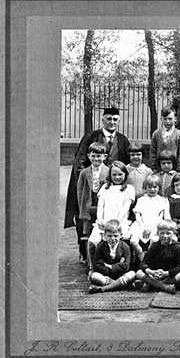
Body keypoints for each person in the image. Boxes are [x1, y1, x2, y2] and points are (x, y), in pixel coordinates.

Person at [64, 106, 131, 258]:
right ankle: (84, 253)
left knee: (108, 219)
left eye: (115, 119)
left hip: (112, 188)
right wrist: (86, 175)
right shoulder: (92, 137)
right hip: (91, 187)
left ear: (118, 121)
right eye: (109, 119)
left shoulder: (122, 139)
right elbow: (80, 158)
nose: (112, 122)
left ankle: (108, 253)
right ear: (102, 119)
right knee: (86, 220)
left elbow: (126, 164)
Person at [87, 161, 135, 274]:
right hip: (104, 222)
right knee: (92, 241)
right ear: (110, 175)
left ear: (125, 175)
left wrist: (116, 222)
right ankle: (93, 267)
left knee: (122, 239)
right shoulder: (105, 187)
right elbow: (100, 205)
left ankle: (121, 266)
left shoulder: (129, 189)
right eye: (114, 175)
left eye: (120, 174)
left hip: (120, 222)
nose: (117, 177)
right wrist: (100, 219)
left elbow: (125, 208)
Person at [75, 142, 108, 265]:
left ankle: (101, 259)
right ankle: (89, 260)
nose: (96, 159)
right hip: (88, 203)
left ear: (104, 157)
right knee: (88, 233)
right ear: (89, 156)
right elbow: (79, 191)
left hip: (101, 203)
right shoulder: (84, 172)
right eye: (93, 156)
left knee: (102, 231)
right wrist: (82, 207)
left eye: (99, 156)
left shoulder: (108, 171)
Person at [134, 220, 180, 294]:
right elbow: (143, 263)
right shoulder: (154, 246)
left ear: (174, 234)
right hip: (155, 275)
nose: (165, 236)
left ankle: (152, 284)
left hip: (169, 275)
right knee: (138, 273)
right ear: (157, 233)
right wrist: (151, 271)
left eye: (168, 233)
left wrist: (167, 273)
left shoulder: (177, 247)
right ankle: (165, 287)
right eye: (162, 233)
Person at [88, 219, 136, 294]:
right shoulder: (100, 247)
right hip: (106, 276)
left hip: (120, 275)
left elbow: (126, 266)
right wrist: (117, 266)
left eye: (116, 236)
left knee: (132, 273)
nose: (113, 239)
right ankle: (120, 285)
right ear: (104, 236)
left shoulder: (125, 247)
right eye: (109, 236)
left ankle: (104, 288)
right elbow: (98, 265)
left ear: (121, 235)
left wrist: (110, 267)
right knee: (94, 276)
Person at [129, 175, 170, 259]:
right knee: (133, 241)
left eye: (155, 187)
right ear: (145, 187)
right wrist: (143, 228)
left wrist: (151, 229)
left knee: (154, 240)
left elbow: (160, 217)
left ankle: (149, 256)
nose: (152, 190)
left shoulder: (162, 200)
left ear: (159, 187)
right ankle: (141, 255)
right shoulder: (141, 200)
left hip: (155, 226)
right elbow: (138, 215)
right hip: (140, 225)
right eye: (149, 187)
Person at [149, 107, 180, 172]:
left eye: (170, 119)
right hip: (159, 169)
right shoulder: (156, 134)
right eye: (165, 119)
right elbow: (153, 152)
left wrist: (178, 169)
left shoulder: (179, 134)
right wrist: (154, 168)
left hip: (173, 170)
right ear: (161, 119)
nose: (167, 121)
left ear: (175, 119)